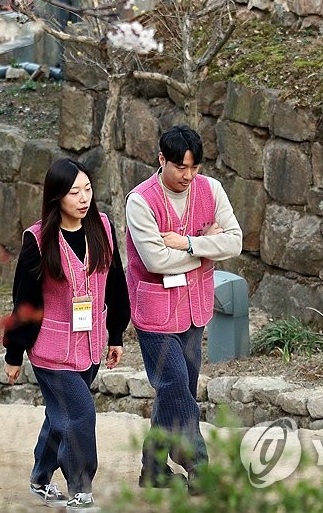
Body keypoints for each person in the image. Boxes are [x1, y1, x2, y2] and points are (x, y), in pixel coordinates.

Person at [3, 158, 130, 511]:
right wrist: (14, 354)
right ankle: (81, 488)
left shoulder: (102, 227)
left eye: (87, 189)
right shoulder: (38, 239)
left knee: (60, 416)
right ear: (57, 196)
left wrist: (116, 333)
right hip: (51, 350)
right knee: (80, 413)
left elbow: (115, 283)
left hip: (90, 346)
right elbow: (24, 301)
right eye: (74, 192)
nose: (83, 198)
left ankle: (40, 478)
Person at [124, 124, 242, 490]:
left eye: (194, 168)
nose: (188, 176)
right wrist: (206, 249)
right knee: (176, 383)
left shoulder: (211, 189)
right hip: (155, 313)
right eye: (180, 168)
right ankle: (199, 469)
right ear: (162, 160)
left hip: (194, 309)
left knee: (176, 390)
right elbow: (155, 261)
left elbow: (235, 241)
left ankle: (154, 471)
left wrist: (187, 244)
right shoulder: (140, 200)